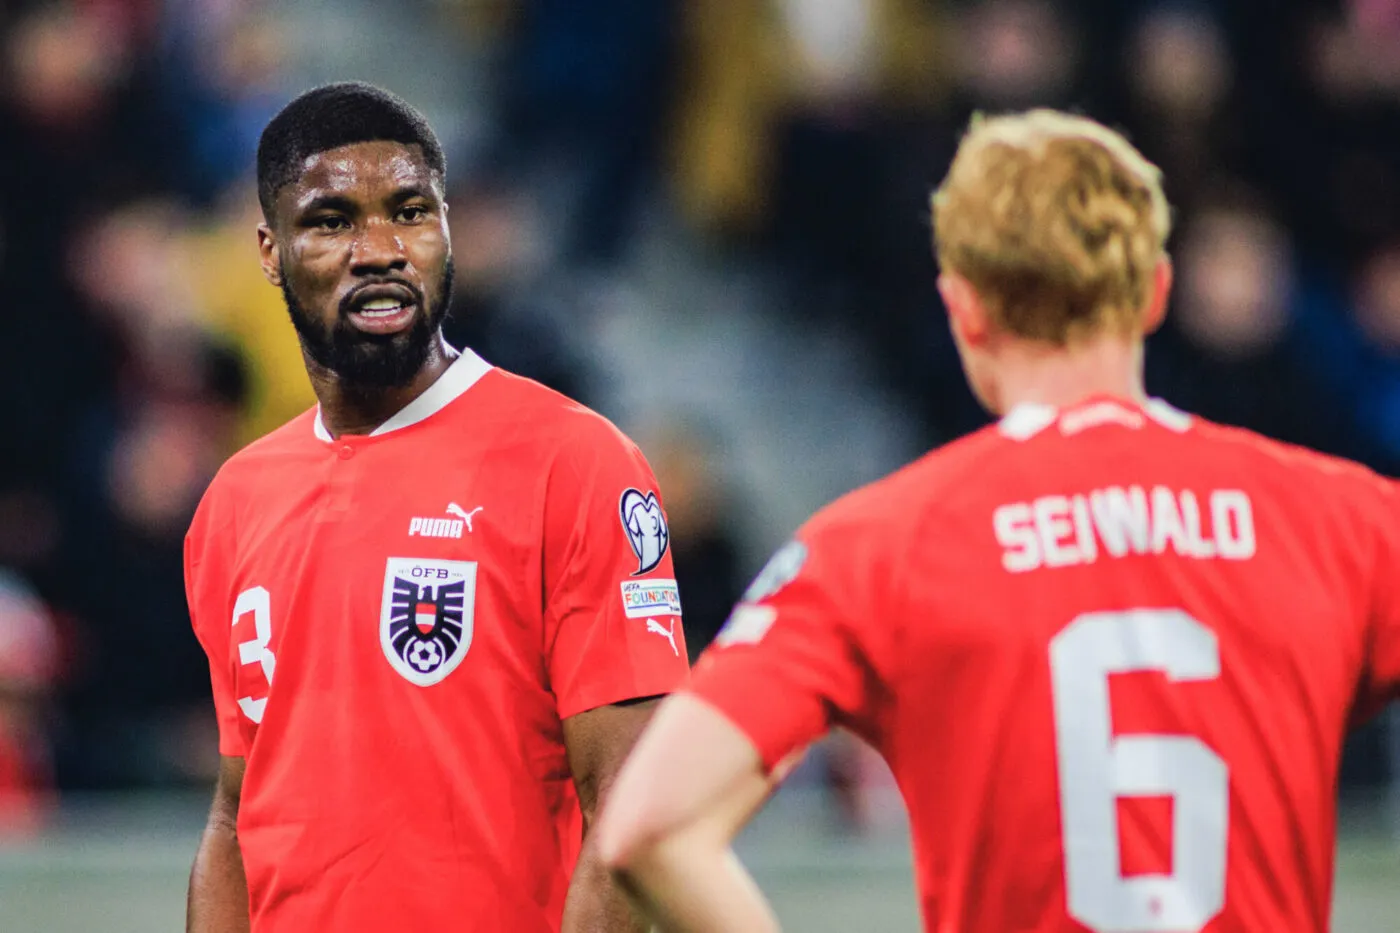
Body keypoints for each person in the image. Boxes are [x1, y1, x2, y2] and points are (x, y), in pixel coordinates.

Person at [595, 109, 1400, 932]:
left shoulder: (879, 547)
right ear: (1157, 292)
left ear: (964, 308)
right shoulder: (1344, 517)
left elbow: (650, 826)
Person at [184, 82, 688, 933]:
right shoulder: (234, 502)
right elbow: (237, 814)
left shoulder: (573, 461)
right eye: (333, 221)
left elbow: (634, 804)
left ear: (447, 227)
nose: (380, 250)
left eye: (410, 212)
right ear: (270, 250)